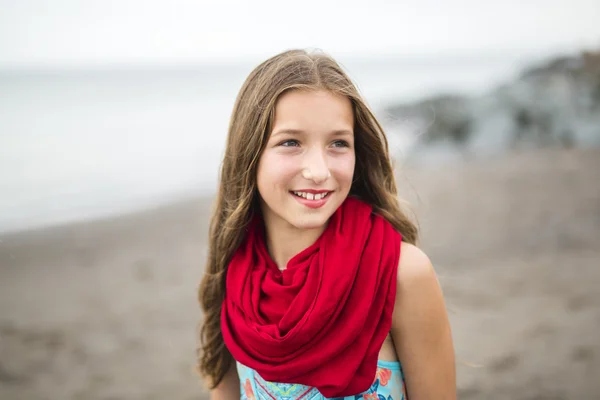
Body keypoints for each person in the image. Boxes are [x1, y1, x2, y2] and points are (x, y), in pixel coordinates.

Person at [197, 49, 456, 399]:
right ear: (250, 154)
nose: (319, 171)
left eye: (338, 143)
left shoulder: (402, 273)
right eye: (291, 142)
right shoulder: (235, 271)